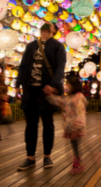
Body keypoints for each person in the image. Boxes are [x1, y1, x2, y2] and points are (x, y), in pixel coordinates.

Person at [14, 22, 67, 171]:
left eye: (47, 27)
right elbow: (23, 65)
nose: (44, 29)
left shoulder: (58, 46)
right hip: (30, 91)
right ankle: (30, 157)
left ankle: (47, 156)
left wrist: (53, 84)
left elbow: (60, 68)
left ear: (53, 30)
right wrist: (17, 84)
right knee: (30, 125)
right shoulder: (31, 46)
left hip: (46, 91)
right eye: (43, 27)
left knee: (48, 125)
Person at [44, 76, 87, 174]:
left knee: (76, 146)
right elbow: (58, 101)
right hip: (70, 127)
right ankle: (77, 164)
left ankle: (78, 165)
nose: (66, 87)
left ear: (74, 86)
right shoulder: (68, 97)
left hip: (76, 127)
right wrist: (49, 95)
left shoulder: (79, 97)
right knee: (74, 146)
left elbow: (80, 113)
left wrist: (78, 127)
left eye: (68, 85)